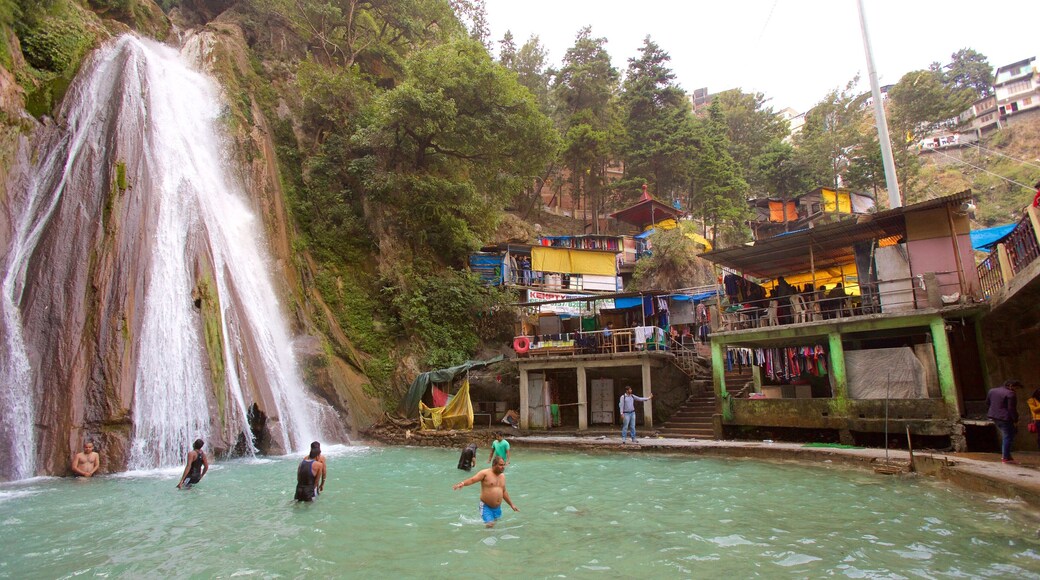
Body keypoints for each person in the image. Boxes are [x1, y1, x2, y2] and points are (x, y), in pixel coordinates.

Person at [453, 456, 518, 528]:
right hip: (486, 506)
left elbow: (504, 491)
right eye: (500, 465)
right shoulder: (485, 473)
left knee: (496, 524)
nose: (503, 467)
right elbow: (472, 480)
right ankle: (486, 538)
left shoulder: (502, 476)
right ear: (494, 465)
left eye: (503, 465)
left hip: (497, 508)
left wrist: (511, 504)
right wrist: (463, 483)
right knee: (490, 525)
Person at [986, 379, 1023, 464]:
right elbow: (1011, 409)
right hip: (1005, 418)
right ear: (1010, 386)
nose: (1015, 390)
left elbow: (987, 403)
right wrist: (1015, 420)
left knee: (1007, 435)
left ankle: (1008, 456)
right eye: (1016, 388)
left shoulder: (992, 391)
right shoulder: (1010, 394)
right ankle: (1006, 458)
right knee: (1008, 436)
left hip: (994, 416)